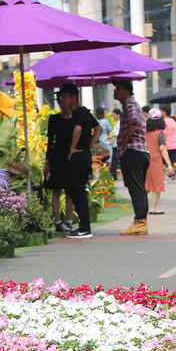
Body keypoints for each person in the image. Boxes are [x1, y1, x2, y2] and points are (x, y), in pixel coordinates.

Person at [60, 82, 102, 239]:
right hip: (84, 155)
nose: (62, 100)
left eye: (65, 96)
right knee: (76, 190)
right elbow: (98, 129)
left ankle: (85, 227)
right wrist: (89, 145)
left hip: (78, 156)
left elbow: (78, 129)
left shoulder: (78, 112)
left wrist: (73, 147)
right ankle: (84, 226)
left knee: (78, 191)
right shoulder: (85, 112)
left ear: (74, 97)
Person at [113, 78, 151, 236]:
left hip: (133, 150)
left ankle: (141, 222)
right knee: (137, 187)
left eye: (118, 89)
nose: (115, 91)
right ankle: (139, 221)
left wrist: (127, 137)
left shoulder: (129, 103)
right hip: (137, 151)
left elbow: (134, 120)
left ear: (126, 91)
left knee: (136, 188)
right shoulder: (130, 104)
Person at [44, 89, 76, 234]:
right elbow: (50, 141)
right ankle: (58, 221)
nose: (62, 101)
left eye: (64, 97)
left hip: (71, 156)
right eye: (59, 99)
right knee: (57, 189)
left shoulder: (76, 117)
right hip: (57, 156)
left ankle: (70, 220)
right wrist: (47, 161)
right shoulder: (54, 119)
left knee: (70, 190)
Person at [144, 112, 168, 215]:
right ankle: (153, 208)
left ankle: (140, 203)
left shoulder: (144, 132)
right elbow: (162, 148)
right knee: (157, 185)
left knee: (147, 185)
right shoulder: (160, 133)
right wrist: (169, 164)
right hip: (156, 160)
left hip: (145, 159)